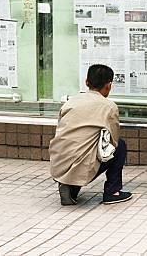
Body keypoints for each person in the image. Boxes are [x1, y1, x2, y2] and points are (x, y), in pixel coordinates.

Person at [49, 64, 132, 205]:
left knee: (81, 148)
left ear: (86, 82)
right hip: (82, 162)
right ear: (109, 85)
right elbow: (113, 139)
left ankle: (70, 187)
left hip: (58, 161)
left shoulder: (70, 102)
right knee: (119, 146)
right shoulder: (109, 106)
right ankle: (112, 192)